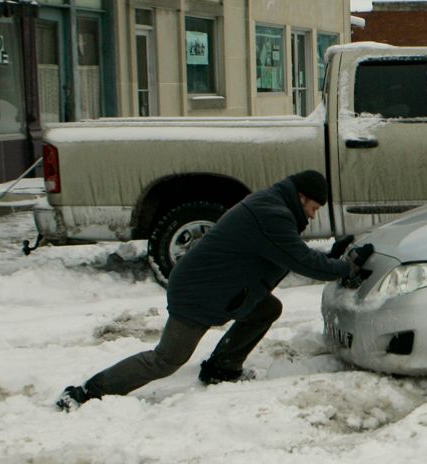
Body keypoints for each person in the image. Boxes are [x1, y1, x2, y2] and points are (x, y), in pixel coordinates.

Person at [57, 170, 371, 411]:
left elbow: (289, 254)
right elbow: (300, 260)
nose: (313, 215)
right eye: (313, 208)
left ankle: (222, 367)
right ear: (301, 197)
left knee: (266, 309)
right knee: (166, 359)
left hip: (216, 288)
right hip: (197, 294)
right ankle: (87, 392)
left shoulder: (273, 205)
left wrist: (333, 257)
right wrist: (346, 267)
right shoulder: (272, 215)